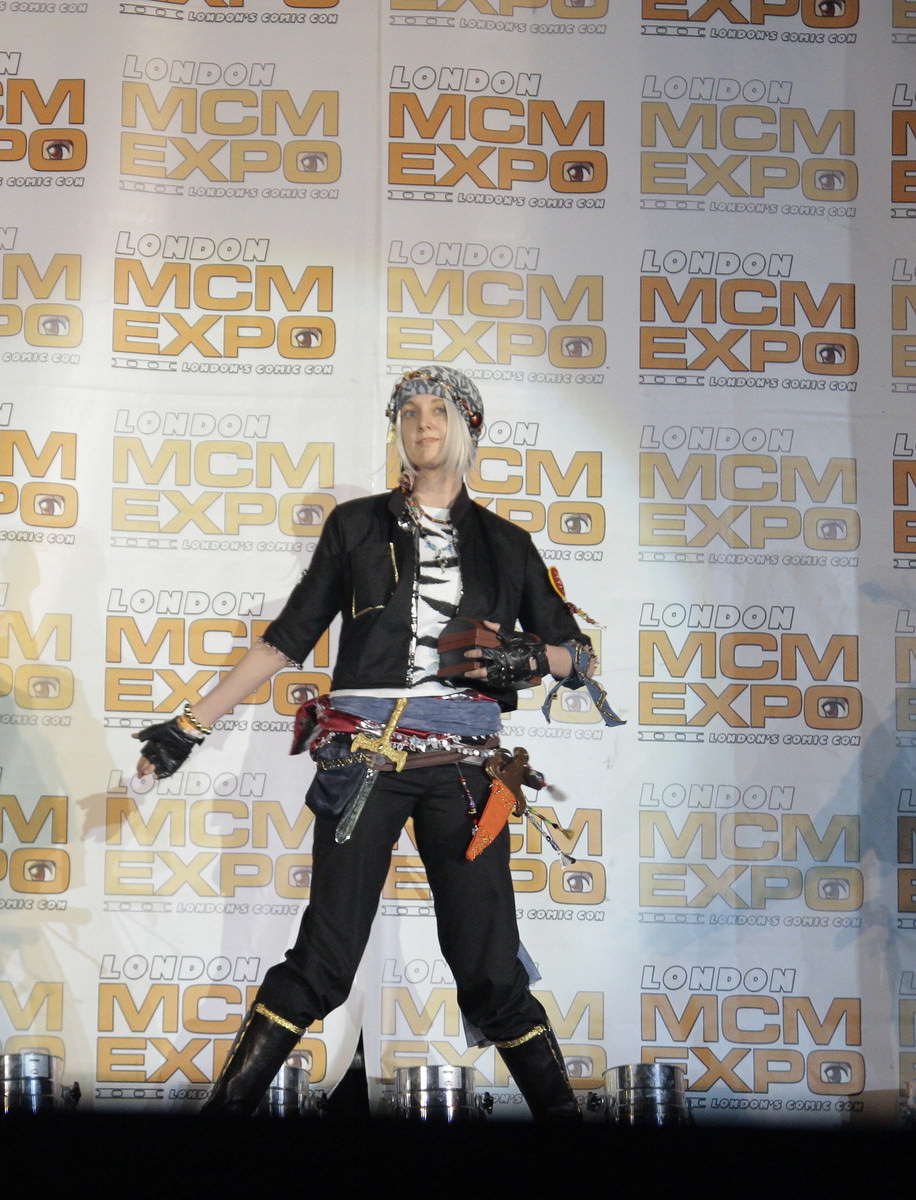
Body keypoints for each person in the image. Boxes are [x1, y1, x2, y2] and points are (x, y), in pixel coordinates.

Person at [133, 366, 619, 1120]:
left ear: (468, 429)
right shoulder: (355, 526)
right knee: (323, 962)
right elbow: (288, 637)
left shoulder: (507, 544)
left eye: (440, 411)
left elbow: (579, 658)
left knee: (491, 973)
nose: (423, 423)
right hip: (365, 759)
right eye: (409, 412)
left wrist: (532, 657)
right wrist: (189, 726)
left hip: (466, 772)